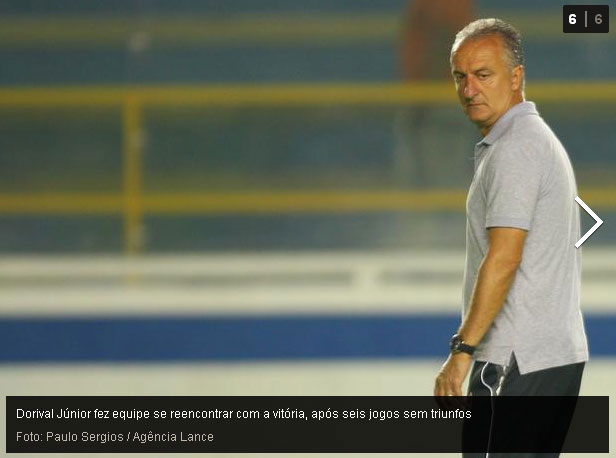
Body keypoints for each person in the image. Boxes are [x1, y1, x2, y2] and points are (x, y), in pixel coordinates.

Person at [434, 19, 588, 400]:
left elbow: (504, 257)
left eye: (483, 75)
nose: (469, 90)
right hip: (547, 355)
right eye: (460, 77)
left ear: (516, 77)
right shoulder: (534, 140)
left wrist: (463, 350)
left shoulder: (515, 147)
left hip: (514, 356)